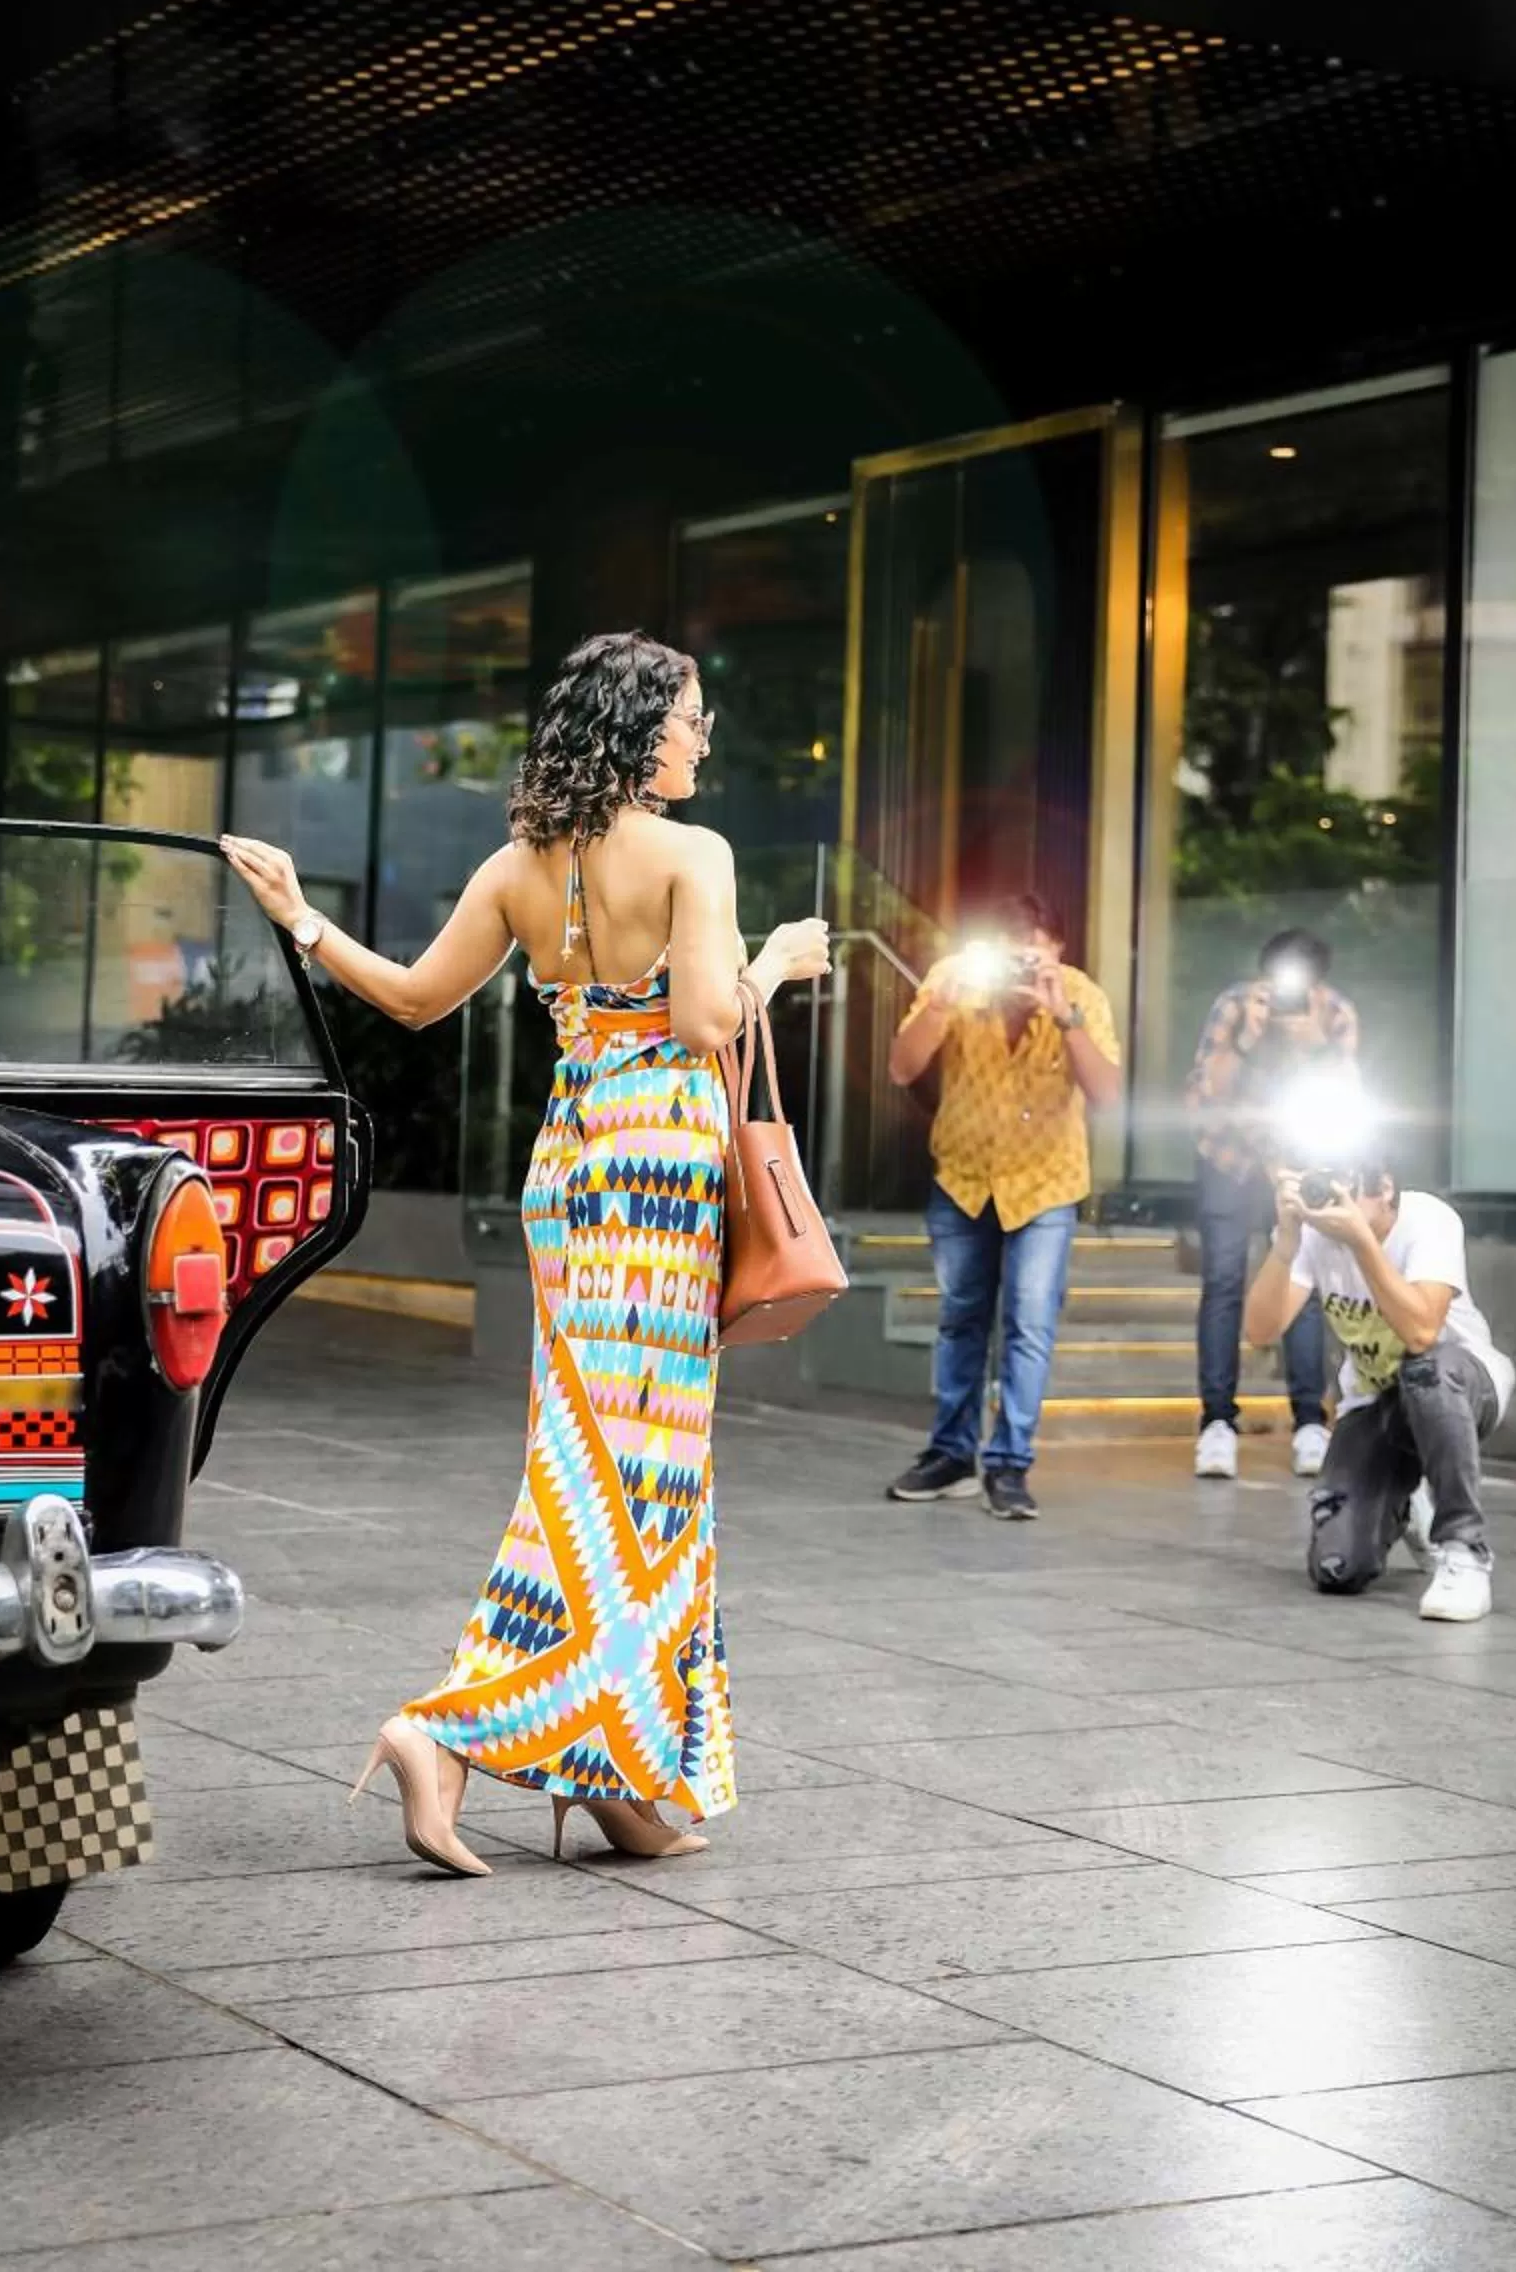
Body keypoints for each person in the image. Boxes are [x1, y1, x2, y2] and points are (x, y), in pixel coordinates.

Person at [223, 632, 827, 1872]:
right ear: (639, 725)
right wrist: (778, 960)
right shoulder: (692, 856)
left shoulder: (519, 867)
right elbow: (710, 1019)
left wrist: (300, 918)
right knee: (643, 1479)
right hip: (656, 1181)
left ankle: (610, 1781)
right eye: (692, 717)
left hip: (568, 1177)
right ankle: (447, 1733)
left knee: (591, 1469)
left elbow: (407, 995)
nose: (702, 739)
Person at [883, 894, 1123, 1521]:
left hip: (1046, 1184)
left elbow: (1107, 1096)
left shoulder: (1081, 996)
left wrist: (1065, 1017)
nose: (1019, 970)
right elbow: (902, 1068)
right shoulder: (954, 982)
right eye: (1009, 955)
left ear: (1057, 950)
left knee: (1029, 1323)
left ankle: (1010, 1465)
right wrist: (940, 1004)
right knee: (961, 1320)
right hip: (963, 1179)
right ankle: (951, 1456)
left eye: (1031, 954)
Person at [1244, 1150, 1516, 1622]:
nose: (1330, 1196)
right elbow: (1260, 1332)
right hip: (1374, 1403)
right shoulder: (1311, 1234)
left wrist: (1361, 1242)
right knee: (1337, 1569)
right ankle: (1404, 1502)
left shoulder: (1429, 1220)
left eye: (1343, 1182)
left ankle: (1464, 1551)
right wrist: (1286, 1242)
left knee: (1425, 1369)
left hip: (1464, 1382)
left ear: (1384, 1188)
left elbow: (1421, 1333)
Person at [1185, 928, 1358, 1482]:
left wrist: (1314, 1046)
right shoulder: (1236, 1007)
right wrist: (1245, 1042)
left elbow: (1347, 1095)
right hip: (1229, 1160)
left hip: (1299, 1161)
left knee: (1302, 1287)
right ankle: (1216, 1423)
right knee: (1224, 1283)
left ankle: (1310, 1420)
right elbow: (1204, 1093)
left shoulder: (1333, 1016)